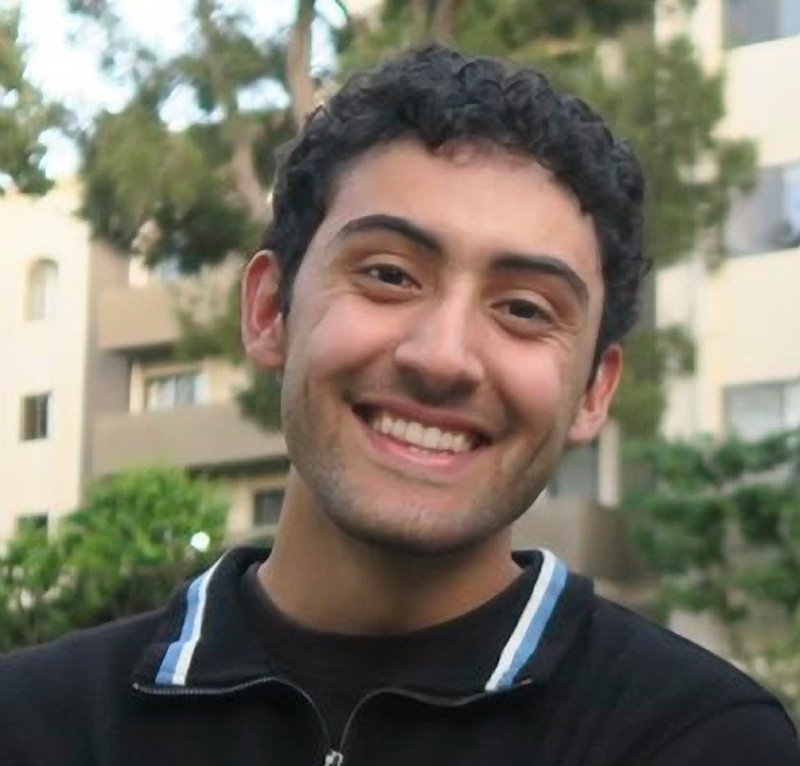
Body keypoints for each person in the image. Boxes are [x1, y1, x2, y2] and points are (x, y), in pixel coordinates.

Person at [1, 44, 798, 766]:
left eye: (524, 309)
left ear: (594, 390)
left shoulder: (699, 739)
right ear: (271, 310)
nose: (442, 358)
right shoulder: (38, 723)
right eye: (389, 274)